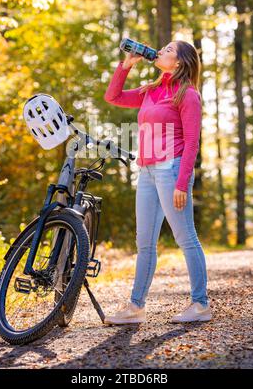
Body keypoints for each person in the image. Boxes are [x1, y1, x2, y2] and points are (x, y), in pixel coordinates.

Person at [103, 40, 211, 325]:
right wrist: (126, 65)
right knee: (145, 242)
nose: (160, 51)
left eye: (168, 49)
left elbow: (191, 143)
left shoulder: (187, 95)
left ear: (179, 62)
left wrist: (181, 183)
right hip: (147, 171)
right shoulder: (151, 90)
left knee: (185, 238)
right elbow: (113, 96)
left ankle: (200, 305)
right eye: (161, 48)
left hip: (171, 170)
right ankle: (136, 307)